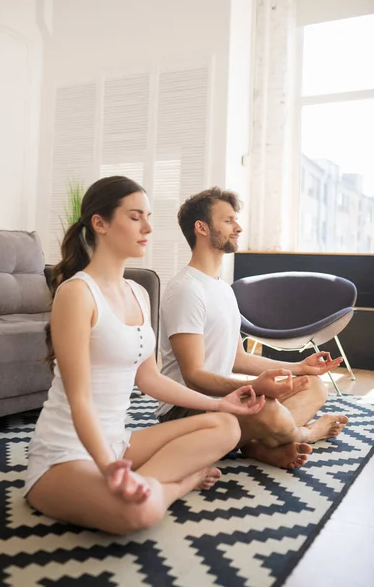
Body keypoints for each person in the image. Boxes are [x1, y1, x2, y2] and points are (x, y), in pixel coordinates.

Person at [24, 176, 267, 536]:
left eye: (149, 216)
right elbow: (80, 399)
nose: (148, 227)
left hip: (119, 443)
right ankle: (173, 485)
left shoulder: (139, 293)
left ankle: (135, 484)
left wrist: (219, 404)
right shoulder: (77, 294)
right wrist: (107, 466)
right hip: (65, 453)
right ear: (100, 223)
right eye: (136, 217)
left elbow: (150, 378)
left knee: (227, 426)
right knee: (139, 515)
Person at [155, 187, 349, 469]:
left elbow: (239, 359)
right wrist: (252, 389)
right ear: (202, 228)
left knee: (314, 387)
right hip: (184, 409)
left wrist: (299, 368)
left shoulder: (223, 289)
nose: (238, 227)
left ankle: (256, 445)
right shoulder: (185, 290)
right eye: (229, 220)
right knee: (268, 410)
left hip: (221, 400)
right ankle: (304, 433)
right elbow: (194, 376)